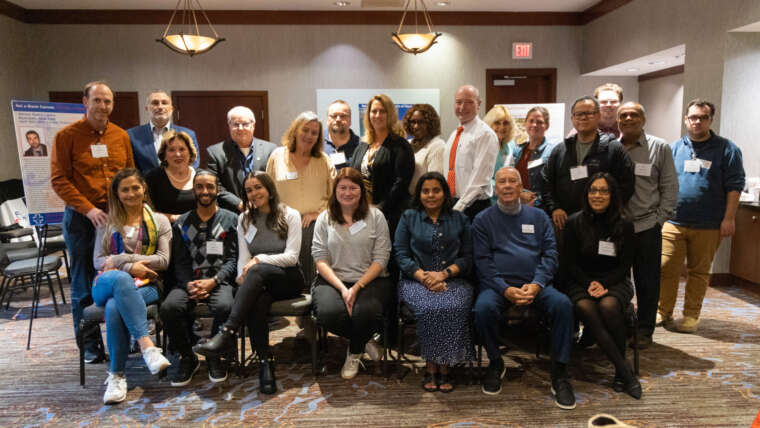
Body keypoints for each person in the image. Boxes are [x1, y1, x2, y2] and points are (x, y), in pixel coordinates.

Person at [472, 167, 575, 409]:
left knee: (564, 306)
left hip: (535, 285)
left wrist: (537, 285)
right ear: (495, 189)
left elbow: (550, 256)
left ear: (521, 188)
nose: (507, 186)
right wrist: (504, 289)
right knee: (482, 309)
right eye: (502, 182)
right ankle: (496, 362)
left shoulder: (539, 218)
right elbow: (483, 263)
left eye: (512, 182)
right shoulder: (482, 220)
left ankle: (559, 372)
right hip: (498, 286)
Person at [194, 172, 304, 394]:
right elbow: (242, 259)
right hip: (259, 282)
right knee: (257, 301)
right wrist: (241, 277)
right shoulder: (244, 219)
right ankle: (265, 362)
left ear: (269, 188)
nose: (254, 193)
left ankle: (227, 333)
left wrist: (258, 260)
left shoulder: (290, 214)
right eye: (249, 190)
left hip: (289, 278)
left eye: (258, 187)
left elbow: (291, 257)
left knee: (257, 270)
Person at [51, 80, 135, 363]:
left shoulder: (120, 136)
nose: (102, 106)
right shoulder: (67, 136)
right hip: (82, 219)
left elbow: (129, 175)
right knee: (82, 282)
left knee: (124, 273)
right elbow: (59, 179)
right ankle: (89, 344)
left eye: (107, 101)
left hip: (116, 217)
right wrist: (88, 210)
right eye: (97, 100)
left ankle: (128, 334)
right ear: (85, 102)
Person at [659, 99, 745, 333]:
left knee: (699, 272)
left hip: (709, 223)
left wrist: (729, 218)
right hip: (673, 221)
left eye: (702, 117)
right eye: (693, 117)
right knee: (666, 267)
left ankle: (690, 316)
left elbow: (735, 186)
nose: (697, 121)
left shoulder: (727, 149)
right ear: (686, 119)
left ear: (710, 120)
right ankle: (663, 311)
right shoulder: (674, 148)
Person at [91, 168, 172, 404]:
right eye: (124, 189)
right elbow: (98, 261)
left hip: (147, 284)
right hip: (105, 283)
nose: (131, 193)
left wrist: (119, 261)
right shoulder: (106, 222)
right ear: (117, 193)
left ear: (143, 188)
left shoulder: (159, 221)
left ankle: (116, 376)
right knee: (120, 280)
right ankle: (147, 346)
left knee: (116, 306)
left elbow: (164, 260)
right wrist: (128, 268)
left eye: (135, 188)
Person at [561, 172, 641, 399]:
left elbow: (626, 265)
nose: (597, 195)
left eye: (603, 191)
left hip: (615, 280)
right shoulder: (573, 222)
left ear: (612, 195)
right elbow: (569, 263)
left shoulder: (624, 224)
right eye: (593, 190)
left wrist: (604, 284)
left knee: (608, 306)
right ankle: (625, 372)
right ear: (586, 194)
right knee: (587, 308)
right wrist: (589, 283)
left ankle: (619, 372)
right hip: (579, 279)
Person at [394, 172, 473, 393]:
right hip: (415, 281)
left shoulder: (460, 219)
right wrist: (425, 277)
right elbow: (401, 254)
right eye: (425, 191)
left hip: (454, 280)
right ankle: (431, 366)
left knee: (452, 306)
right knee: (430, 307)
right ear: (419, 194)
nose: (431, 195)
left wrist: (443, 274)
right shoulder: (409, 217)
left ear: (445, 193)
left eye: (436, 190)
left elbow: (468, 257)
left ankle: (445, 367)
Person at [312, 168, 393, 379]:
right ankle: (365, 341)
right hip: (332, 279)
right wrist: (342, 288)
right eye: (343, 187)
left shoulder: (376, 216)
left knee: (364, 312)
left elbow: (381, 258)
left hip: (372, 280)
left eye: (353, 187)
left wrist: (356, 288)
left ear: (361, 190)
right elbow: (319, 258)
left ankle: (354, 353)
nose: (348, 192)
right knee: (328, 313)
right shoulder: (324, 218)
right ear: (335, 190)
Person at [160, 170, 238, 385]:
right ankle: (188, 357)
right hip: (189, 282)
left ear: (217, 190)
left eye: (209, 187)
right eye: (200, 186)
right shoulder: (182, 223)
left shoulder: (232, 220)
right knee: (169, 308)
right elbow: (180, 261)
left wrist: (213, 281)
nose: (205, 191)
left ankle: (214, 355)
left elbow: (233, 260)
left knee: (225, 306)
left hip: (219, 281)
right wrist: (189, 284)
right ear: (194, 190)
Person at [617, 102, 678, 347]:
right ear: (618, 121)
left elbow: (669, 187)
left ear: (644, 119)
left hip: (646, 226)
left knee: (647, 281)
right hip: (617, 229)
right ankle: (620, 323)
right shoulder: (612, 148)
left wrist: (659, 220)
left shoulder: (659, 147)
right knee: (617, 279)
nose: (629, 118)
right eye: (624, 115)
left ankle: (644, 330)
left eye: (634, 114)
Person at [541, 96, 635, 234]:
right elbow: (546, 181)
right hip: (565, 223)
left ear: (598, 116)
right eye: (579, 114)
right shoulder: (561, 149)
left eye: (589, 113)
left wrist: (608, 211)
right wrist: (554, 208)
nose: (583, 118)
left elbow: (627, 185)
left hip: (603, 224)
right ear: (572, 118)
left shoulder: (614, 149)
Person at [266, 111, 335, 288]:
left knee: (313, 270)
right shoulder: (277, 156)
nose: (309, 136)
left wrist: (318, 213)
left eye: (314, 132)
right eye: (305, 130)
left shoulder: (324, 161)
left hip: (314, 224)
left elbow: (335, 195)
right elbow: (268, 191)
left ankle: (313, 297)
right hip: (283, 224)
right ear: (295, 130)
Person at [349, 94, 414, 236]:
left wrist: (379, 209)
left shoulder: (400, 146)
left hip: (390, 215)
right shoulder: (362, 145)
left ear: (390, 114)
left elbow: (401, 182)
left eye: (382, 111)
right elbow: (353, 176)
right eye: (373, 111)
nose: (377, 115)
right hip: (361, 213)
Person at [442, 85, 500, 221]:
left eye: (469, 102)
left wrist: (458, 208)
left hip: (472, 207)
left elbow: (480, 181)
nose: (462, 107)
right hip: (453, 203)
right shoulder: (455, 134)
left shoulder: (485, 134)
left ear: (478, 104)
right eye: (459, 102)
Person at [207, 106, 277, 213]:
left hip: (266, 211)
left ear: (253, 125)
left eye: (245, 124)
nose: (240, 128)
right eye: (235, 124)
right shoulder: (215, 152)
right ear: (229, 126)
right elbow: (214, 185)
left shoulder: (270, 149)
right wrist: (239, 204)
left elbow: (275, 180)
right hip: (232, 213)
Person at [126, 90, 199, 174]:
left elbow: (193, 163)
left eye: (164, 103)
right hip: (146, 185)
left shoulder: (188, 134)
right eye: (155, 103)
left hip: (179, 184)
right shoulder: (132, 135)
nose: (160, 107)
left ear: (171, 108)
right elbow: (131, 167)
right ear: (147, 108)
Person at [145, 130, 198, 223]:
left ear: (190, 153)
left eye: (182, 149)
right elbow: (146, 211)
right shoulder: (153, 178)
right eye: (171, 150)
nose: (177, 154)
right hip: (165, 232)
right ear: (164, 155)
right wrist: (173, 218)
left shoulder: (201, 176)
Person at [509, 106, 556, 208]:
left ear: (547, 125)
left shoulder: (553, 151)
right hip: (516, 204)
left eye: (539, 122)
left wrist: (536, 200)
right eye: (531, 121)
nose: (534, 125)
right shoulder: (517, 150)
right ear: (525, 124)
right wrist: (519, 194)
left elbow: (554, 184)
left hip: (540, 207)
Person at [402, 104, 446, 194]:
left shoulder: (437, 146)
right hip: (405, 200)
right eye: (413, 122)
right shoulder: (407, 144)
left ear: (430, 123)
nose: (416, 126)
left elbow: (434, 182)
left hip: (424, 200)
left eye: (421, 122)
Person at [483, 105, 515, 205]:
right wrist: (504, 188)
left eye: (505, 123)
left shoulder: (510, 146)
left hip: (508, 201)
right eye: (497, 123)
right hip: (488, 202)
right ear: (489, 125)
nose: (502, 127)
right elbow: (482, 181)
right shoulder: (483, 148)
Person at [323, 100, 360, 170]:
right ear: (327, 119)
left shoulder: (361, 146)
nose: (338, 119)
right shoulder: (316, 142)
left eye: (343, 116)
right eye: (333, 116)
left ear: (350, 120)